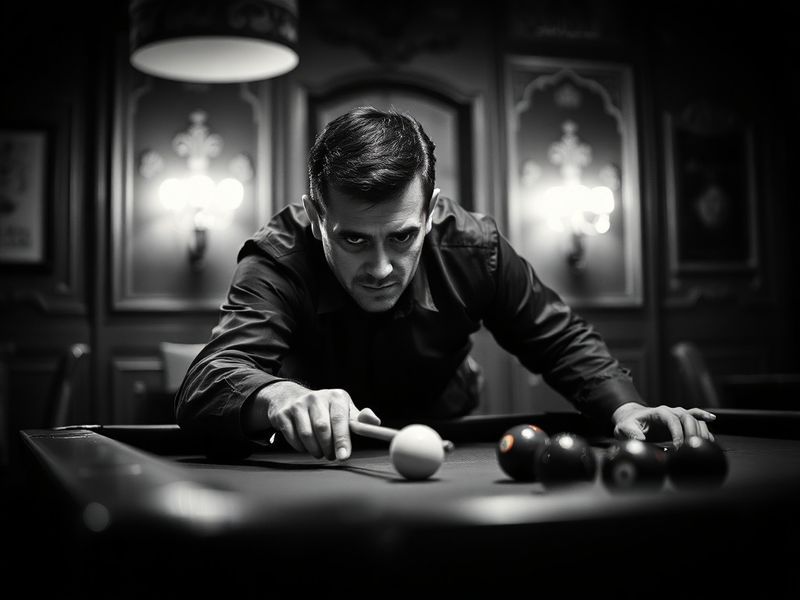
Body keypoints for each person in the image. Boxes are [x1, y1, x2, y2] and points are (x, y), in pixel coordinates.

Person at [175, 105, 716, 460]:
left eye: (402, 237)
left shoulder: (475, 248)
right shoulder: (279, 255)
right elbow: (207, 382)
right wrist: (277, 395)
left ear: (431, 211)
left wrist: (626, 408)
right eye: (354, 239)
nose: (381, 267)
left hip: (441, 416)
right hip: (316, 445)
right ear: (318, 217)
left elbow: (561, 339)